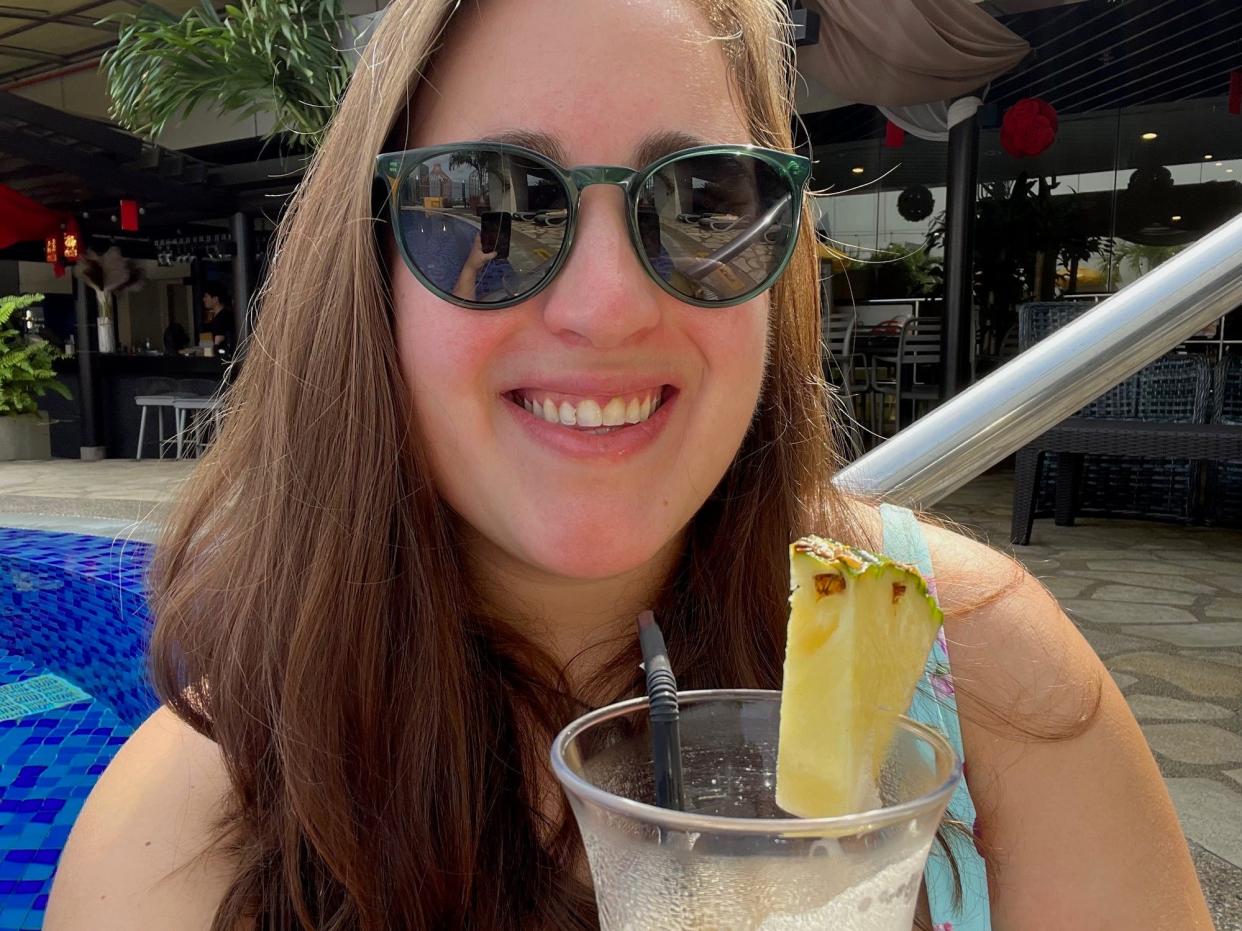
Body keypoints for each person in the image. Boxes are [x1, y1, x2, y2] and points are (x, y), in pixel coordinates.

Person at [46, 0, 1212, 928]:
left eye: (705, 200)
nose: (606, 305)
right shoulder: (185, 835)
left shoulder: (984, 668)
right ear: (370, 276)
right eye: (492, 203)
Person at [201, 283, 235, 358]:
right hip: (211, 358)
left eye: (206, 296)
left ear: (215, 299)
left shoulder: (225, 316)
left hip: (221, 360)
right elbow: (205, 343)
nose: (204, 299)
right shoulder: (210, 317)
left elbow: (219, 343)